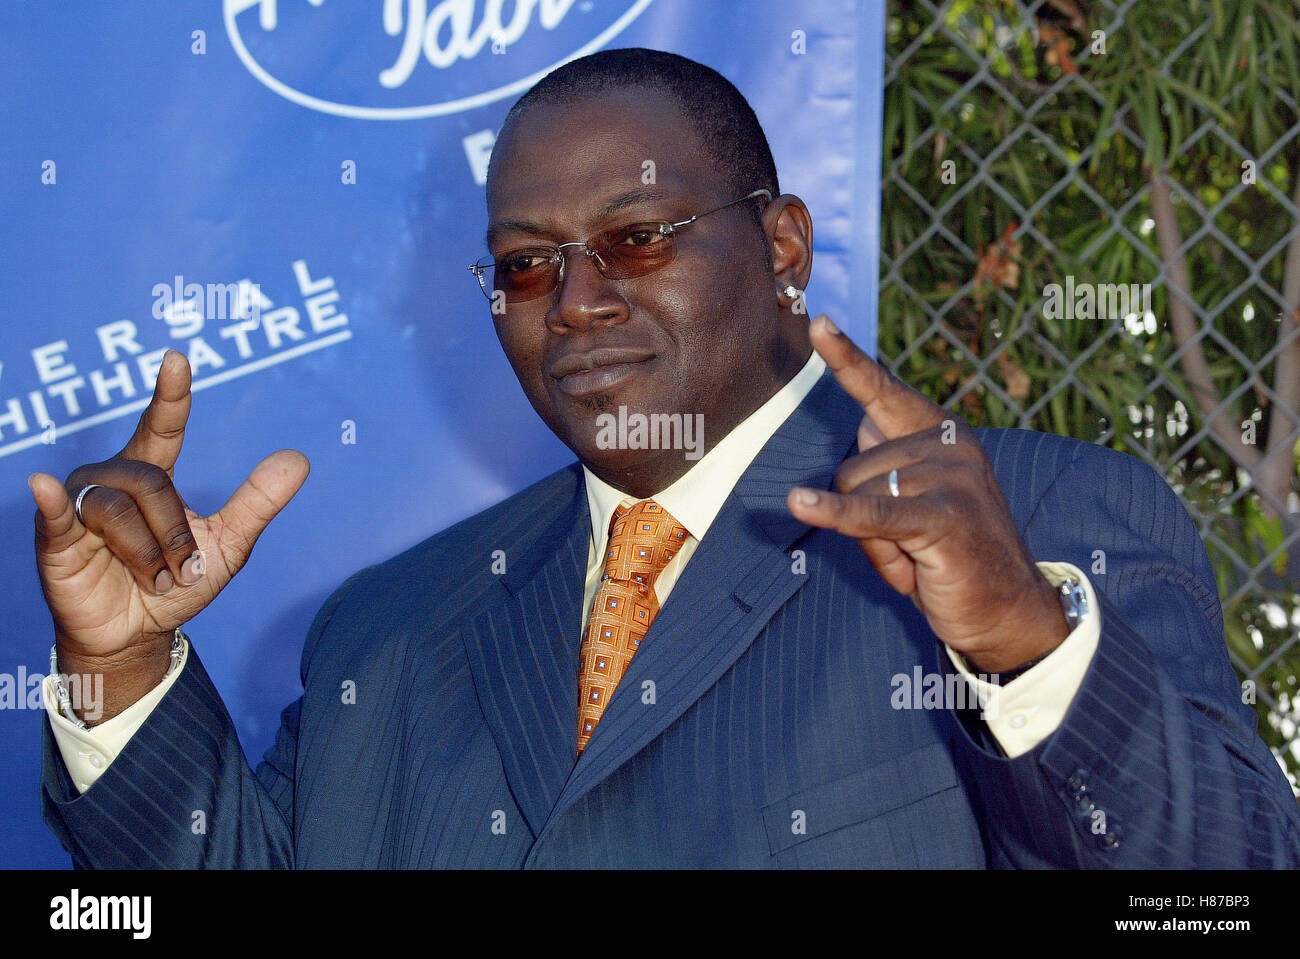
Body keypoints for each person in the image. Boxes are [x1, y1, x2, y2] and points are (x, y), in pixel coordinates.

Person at [31, 48, 1300, 868]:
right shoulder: (387, 626)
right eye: (527, 262)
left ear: (785, 242)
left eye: (637, 237)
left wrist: (1023, 642)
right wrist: (122, 666)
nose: (573, 300)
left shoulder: (1039, 518)